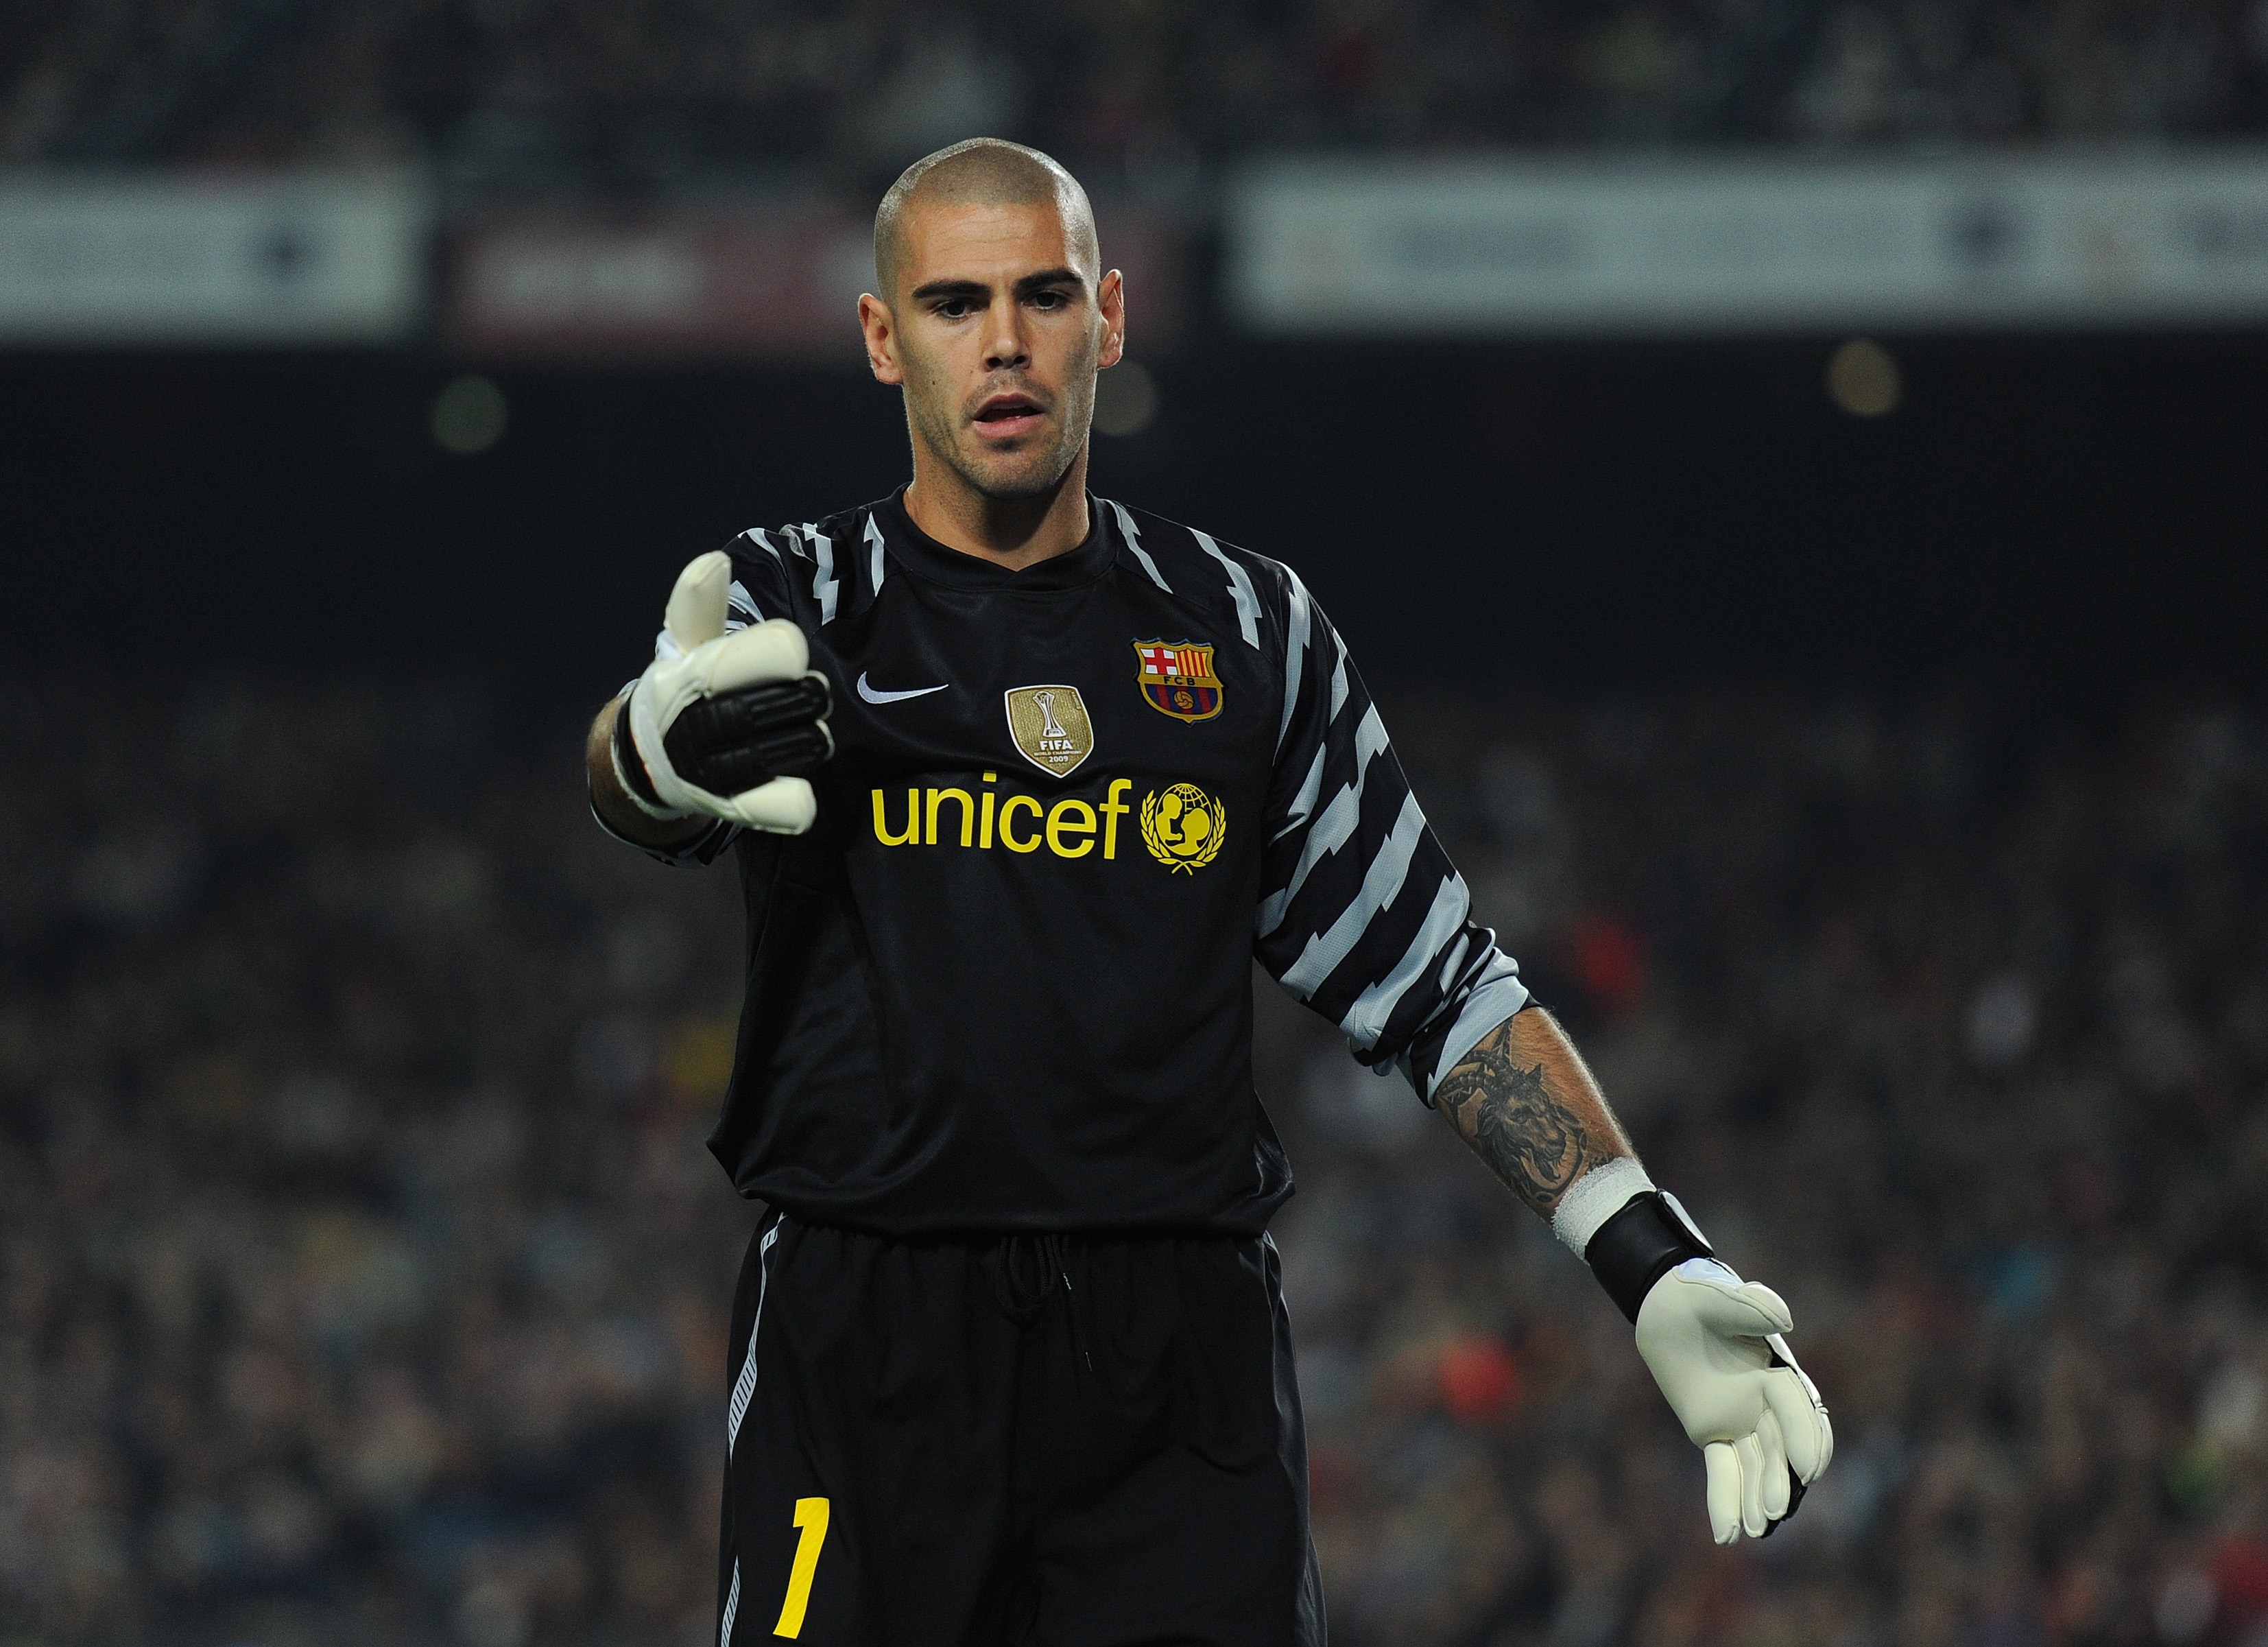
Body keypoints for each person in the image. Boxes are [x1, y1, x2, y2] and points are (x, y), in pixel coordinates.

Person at [584, 138, 1831, 1647]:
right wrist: (652, 751)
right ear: (879, 337)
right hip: (866, 1344)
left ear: (1108, 315)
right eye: (953, 302)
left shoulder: (1250, 631)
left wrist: (1646, 1256)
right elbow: (646, 763)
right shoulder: (794, 599)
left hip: (1175, 1370)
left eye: (1043, 296)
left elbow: (1437, 981)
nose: (1002, 342)